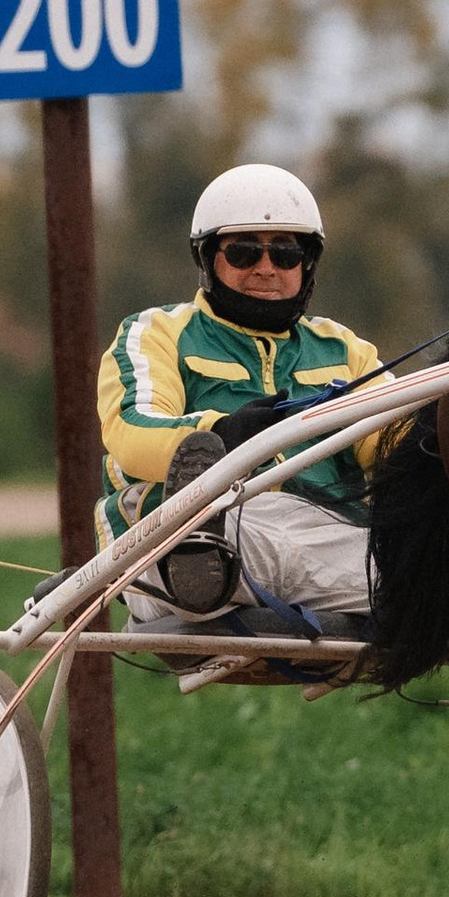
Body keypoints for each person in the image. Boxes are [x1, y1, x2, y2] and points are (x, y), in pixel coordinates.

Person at [99, 164, 388, 630]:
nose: (266, 268)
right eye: (244, 251)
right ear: (208, 258)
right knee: (228, 536)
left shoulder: (344, 349)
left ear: (307, 263)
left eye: (286, 254)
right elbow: (131, 429)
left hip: (333, 542)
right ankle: (203, 563)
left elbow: (392, 438)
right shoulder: (156, 332)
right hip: (194, 530)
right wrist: (223, 435)